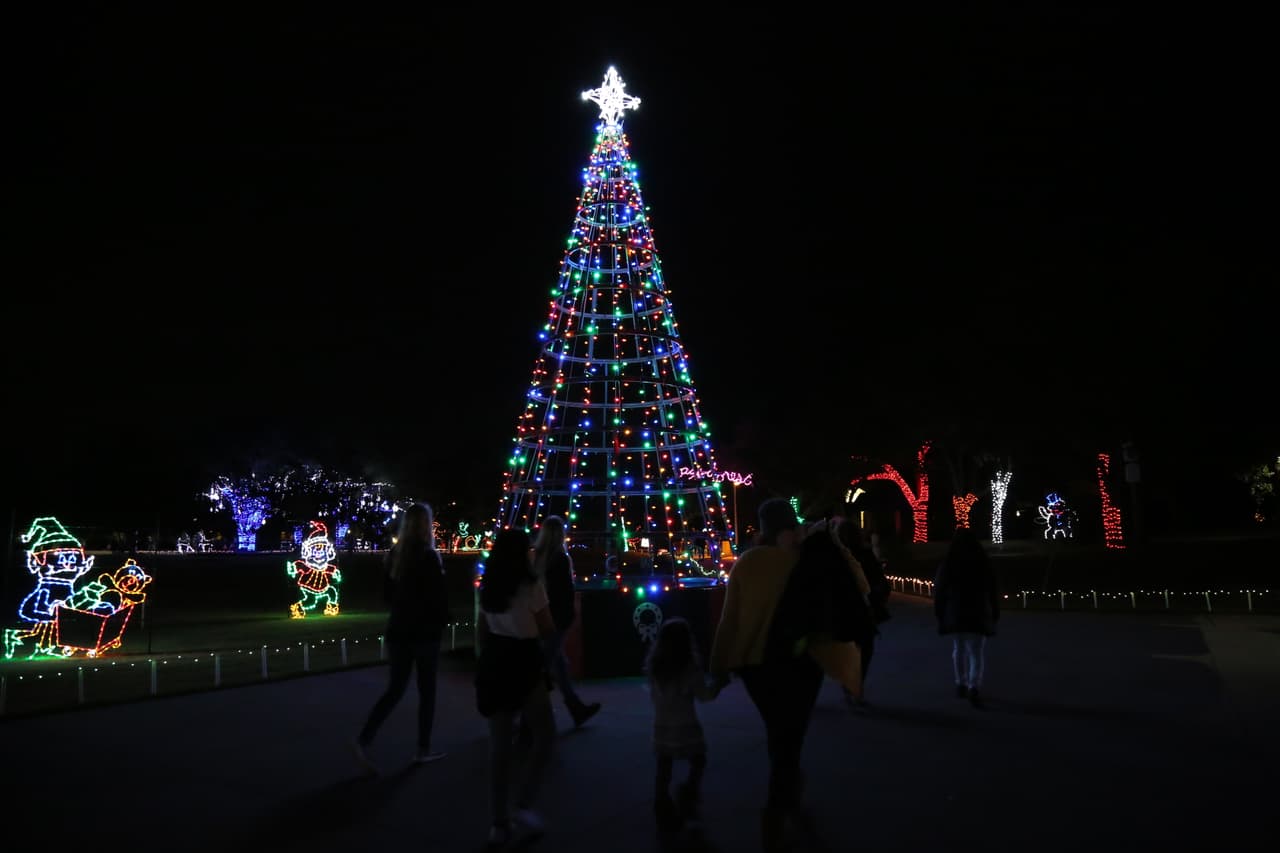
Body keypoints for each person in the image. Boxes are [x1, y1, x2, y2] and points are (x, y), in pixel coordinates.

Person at [710, 498, 824, 853]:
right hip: (802, 662)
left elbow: (729, 619)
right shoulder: (807, 561)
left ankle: (785, 801)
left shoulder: (747, 563)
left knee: (780, 733)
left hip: (756, 665)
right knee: (790, 738)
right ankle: (779, 809)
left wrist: (719, 667)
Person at [352, 503, 449, 774]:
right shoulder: (429, 557)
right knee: (426, 691)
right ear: (426, 525)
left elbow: (387, 596)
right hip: (424, 632)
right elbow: (438, 597)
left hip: (399, 630)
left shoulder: (396, 555)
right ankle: (423, 748)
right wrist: (441, 619)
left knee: (395, 688)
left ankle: (365, 738)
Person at [474, 529, 556, 850]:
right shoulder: (532, 586)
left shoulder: (488, 587)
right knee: (544, 733)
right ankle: (523, 803)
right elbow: (547, 627)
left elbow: (482, 630)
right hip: (524, 661)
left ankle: (498, 822)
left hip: (495, 661)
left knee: (499, 746)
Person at [646, 617, 720, 832]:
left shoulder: (655, 668)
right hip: (686, 726)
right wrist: (719, 684)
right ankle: (688, 794)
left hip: (662, 727)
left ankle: (660, 802)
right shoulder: (690, 669)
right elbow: (705, 695)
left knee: (664, 767)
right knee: (699, 760)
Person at [531, 516, 601, 728]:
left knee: (559, 664)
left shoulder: (538, 557)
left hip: (542, 616)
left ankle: (575, 708)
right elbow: (564, 593)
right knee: (542, 666)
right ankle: (528, 716)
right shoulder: (561, 559)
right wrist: (569, 616)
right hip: (556, 619)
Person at [933, 526, 1000, 709]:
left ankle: (960, 683)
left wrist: (940, 613)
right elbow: (992, 590)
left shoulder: (949, 563)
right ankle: (973, 686)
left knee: (959, 648)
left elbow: (939, 591)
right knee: (976, 652)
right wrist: (994, 611)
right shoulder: (982, 562)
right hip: (978, 611)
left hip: (955, 612)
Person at [835, 518, 891, 704]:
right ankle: (856, 686)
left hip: (843, 611)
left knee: (847, 649)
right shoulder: (865, 554)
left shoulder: (836, 556)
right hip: (864, 610)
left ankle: (849, 684)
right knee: (865, 650)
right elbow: (880, 581)